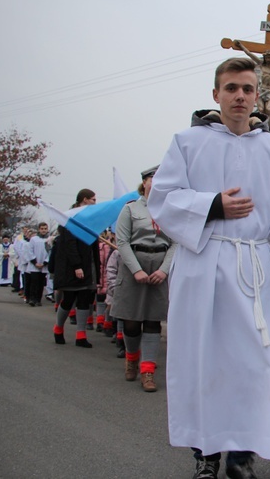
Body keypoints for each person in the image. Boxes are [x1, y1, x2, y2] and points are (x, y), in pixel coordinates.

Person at [147, 57, 270, 479]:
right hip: (204, 265)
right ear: (216, 95)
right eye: (231, 88)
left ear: (257, 96)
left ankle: (242, 457)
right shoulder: (187, 142)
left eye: (247, 88)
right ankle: (205, 456)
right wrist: (212, 205)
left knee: (252, 367)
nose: (240, 96)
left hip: (256, 271)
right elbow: (163, 202)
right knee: (203, 362)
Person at [110, 166, 175, 392]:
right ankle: (131, 358)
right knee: (131, 320)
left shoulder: (169, 210)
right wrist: (136, 269)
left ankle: (147, 371)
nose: (155, 182)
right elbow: (122, 242)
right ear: (144, 183)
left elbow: (176, 242)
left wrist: (164, 270)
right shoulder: (130, 210)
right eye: (151, 178)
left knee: (152, 320)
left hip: (159, 267)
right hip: (133, 267)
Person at [51, 189, 100, 348]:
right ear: (84, 200)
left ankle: (81, 335)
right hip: (72, 267)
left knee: (85, 299)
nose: (95, 202)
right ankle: (58, 328)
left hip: (88, 264)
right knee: (69, 299)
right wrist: (77, 266)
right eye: (92, 199)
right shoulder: (69, 218)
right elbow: (69, 245)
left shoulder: (90, 219)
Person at [25, 222, 50, 306]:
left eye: (45, 229)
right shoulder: (34, 239)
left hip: (44, 265)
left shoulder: (49, 239)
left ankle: (38, 299)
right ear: (39, 229)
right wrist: (35, 262)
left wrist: (45, 262)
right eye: (42, 229)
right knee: (34, 282)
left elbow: (51, 252)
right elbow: (30, 251)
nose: (43, 230)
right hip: (34, 265)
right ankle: (32, 299)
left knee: (41, 283)